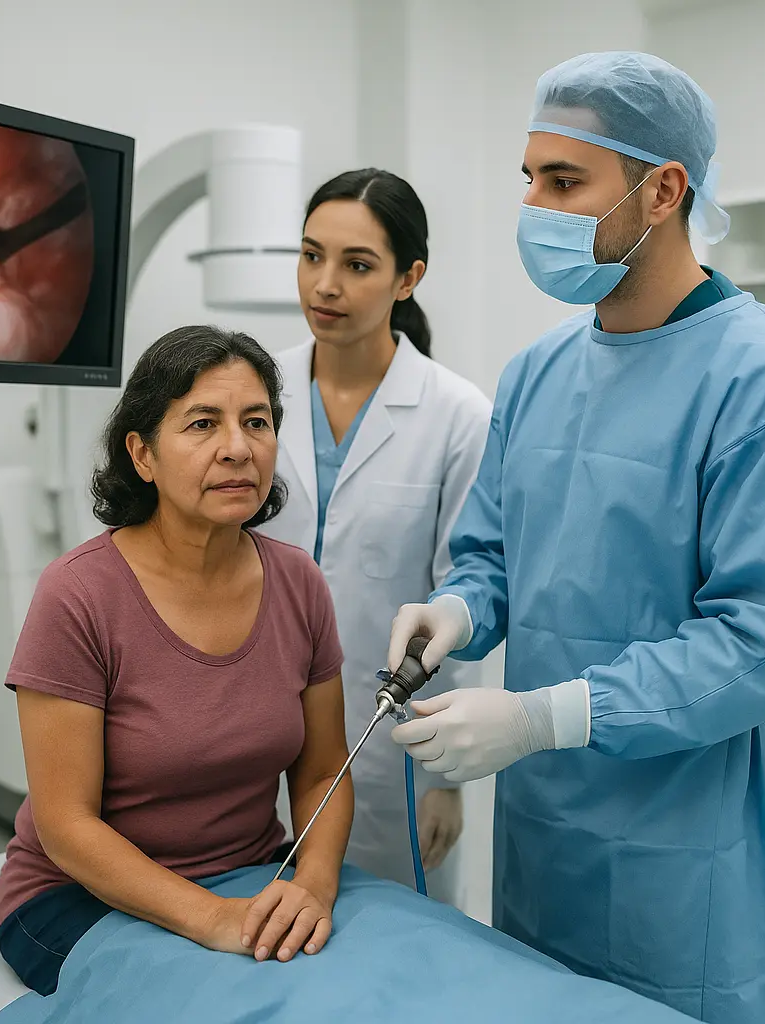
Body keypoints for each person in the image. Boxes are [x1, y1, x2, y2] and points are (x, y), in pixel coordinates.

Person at [387, 51, 765, 1024]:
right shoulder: (536, 373)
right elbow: (495, 555)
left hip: (686, 858)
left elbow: (758, 646)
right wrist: (457, 611)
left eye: (564, 181)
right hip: (543, 837)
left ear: (662, 190)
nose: (533, 205)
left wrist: (536, 716)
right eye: (528, 176)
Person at [0, 325, 353, 996]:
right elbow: (66, 826)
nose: (238, 448)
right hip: (76, 896)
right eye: (202, 424)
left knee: (368, 986)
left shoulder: (300, 584)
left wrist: (314, 884)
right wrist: (214, 920)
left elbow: (324, 769)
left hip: (252, 872)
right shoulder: (78, 595)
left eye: (257, 421)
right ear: (143, 454)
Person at [255, 168, 491, 901]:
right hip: (255, 725)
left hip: (391, 746)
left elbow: (467, 591)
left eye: (357, 265)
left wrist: (445, 777)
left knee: (389, 950)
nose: (325, 285)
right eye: (311, 255)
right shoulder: (253, 393)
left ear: (406, 278)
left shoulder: (457, 416)